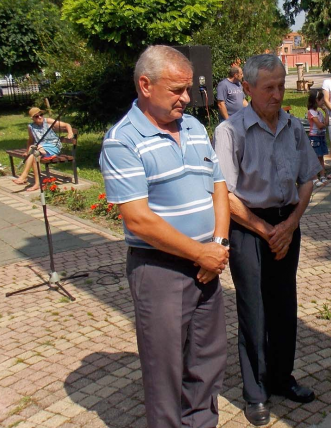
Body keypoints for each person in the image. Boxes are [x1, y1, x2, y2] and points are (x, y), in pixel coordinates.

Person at [99, 45, 230, 428]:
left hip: (208, 263)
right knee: (166, 371)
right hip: (160, 271)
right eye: (177, 90)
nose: (186, 98)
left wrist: (218, 247)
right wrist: (199, 254)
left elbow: (219, 187)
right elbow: (138, 221)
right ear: (145, 84)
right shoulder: (121, 140)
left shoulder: (192, 127)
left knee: (207, 360)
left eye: (188, 89)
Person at [213, 54, 320, 427]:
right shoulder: (231, 131)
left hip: (286, 225)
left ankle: (281, 378)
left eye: (281, 85)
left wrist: (290, 224)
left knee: (284, 306)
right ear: (247, 89)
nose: (277, 95)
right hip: (248, 229)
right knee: (254, 312)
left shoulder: (293, 126)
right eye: (268, 88)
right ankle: (256, 392)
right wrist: (264, 229)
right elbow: (223, 193)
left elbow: (308, 178)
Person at [12, 107, 74, 191]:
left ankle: (24, 176)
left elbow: (67, 125)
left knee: (33, 150)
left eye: (41, 115)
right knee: (34, 155)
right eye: (36, 116)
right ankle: (36, 183)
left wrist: (70, 132)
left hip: (53, 146)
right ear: (33, 118)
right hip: (40, 148)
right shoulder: (31, 127)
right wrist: (27, 152)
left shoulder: (47, 121)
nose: (40, 117)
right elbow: (31, 140)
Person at [307, 89, 328, 186]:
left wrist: (326, 112)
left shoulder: (319, 112)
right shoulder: (311, 112)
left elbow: (326, 123)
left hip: (321, 136)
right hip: (314, 137)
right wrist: (323, 124)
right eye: (322, 100)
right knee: (315, 157)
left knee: (321, 157)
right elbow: (320, 125)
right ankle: (314, 178)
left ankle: (322, 176)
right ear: (316, 101)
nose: (323, 102)